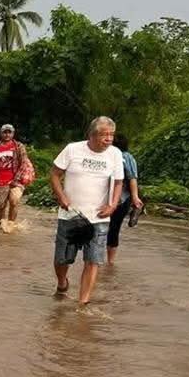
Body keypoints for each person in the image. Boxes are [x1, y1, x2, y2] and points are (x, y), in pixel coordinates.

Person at [49, 117, 124, 305]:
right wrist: (61, 196)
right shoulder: (72, 149)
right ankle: (62, 282)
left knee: (93, 260)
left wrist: (113, 205)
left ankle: (83, 303)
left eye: (111, 135)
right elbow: (55, 174)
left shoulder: (114, 154)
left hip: (99, 217)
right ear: (91, 135)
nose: (109, 139)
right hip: (70, 215)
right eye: (104, 135)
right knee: (62, 259)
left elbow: (118, 182)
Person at [106, 133, 143, 264]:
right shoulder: (105, 156)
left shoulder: (126, 157)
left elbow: (132, 178)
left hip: (122, 199)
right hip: (106, 197)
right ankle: (102, 260)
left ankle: (110, 261)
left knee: (113, 228)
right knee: (105, 228)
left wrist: (135, 197)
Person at [0, 123, 30, 231]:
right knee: (2, 206)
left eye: (9, 132)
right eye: (4, 132)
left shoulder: (18, 146)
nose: (7, 134)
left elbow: (24, 162)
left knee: (14, 201)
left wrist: (16, 179)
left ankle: (11, 224)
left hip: (16, 181)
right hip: (0, 181)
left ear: (13, 133)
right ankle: (2, 224)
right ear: (1, 133)